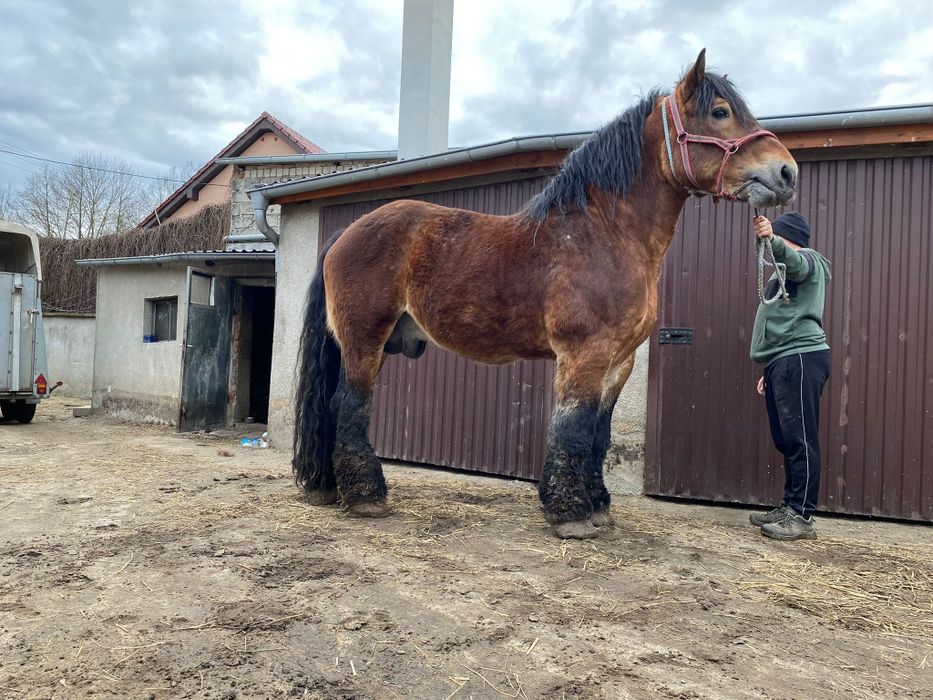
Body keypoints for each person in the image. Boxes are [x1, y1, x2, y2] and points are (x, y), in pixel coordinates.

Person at [748, 211, 831, 540]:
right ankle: (790, 504)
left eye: (778, 240)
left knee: (800, 437)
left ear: (785, 237)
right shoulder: (782, 271)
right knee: (786, 437)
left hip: (802, 356)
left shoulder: (810, 261)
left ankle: (802, 515)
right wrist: (770, 368)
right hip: (784, 360)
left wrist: (772, 239)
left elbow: (796, 262)